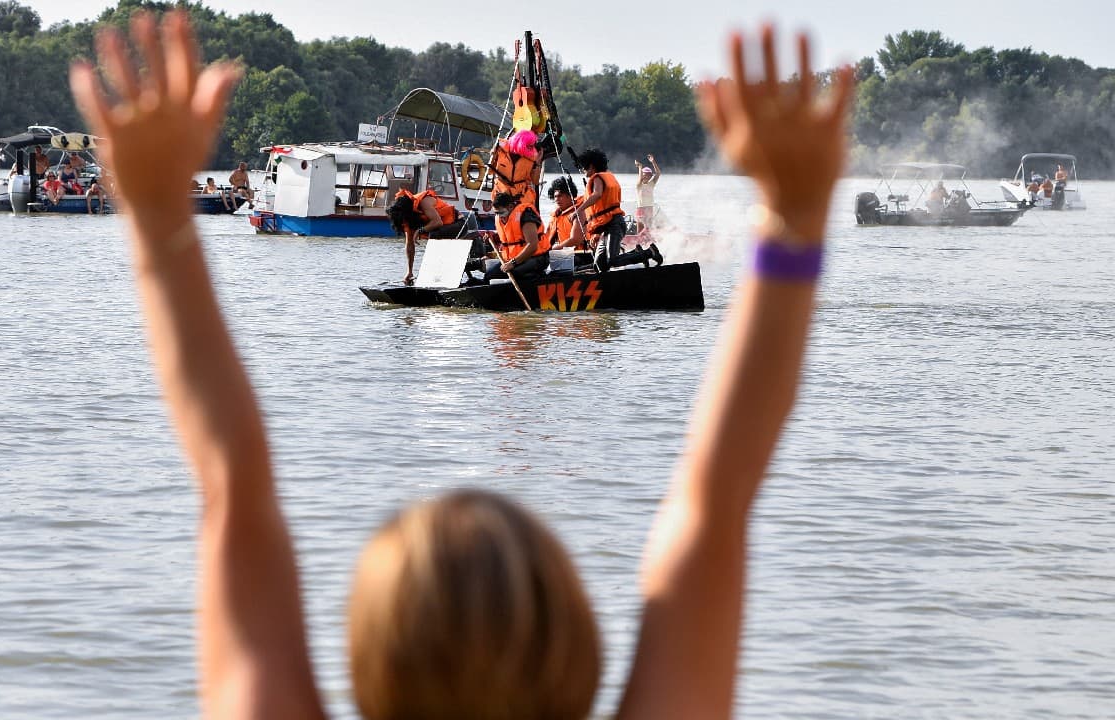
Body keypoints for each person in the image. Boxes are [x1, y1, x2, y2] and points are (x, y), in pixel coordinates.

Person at [69, 12, 851, 719]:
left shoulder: (532, 209)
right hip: (531, 278)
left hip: (539, 278)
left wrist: (158, 219)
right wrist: (795, 216)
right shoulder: (519, 208)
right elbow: (714, 500)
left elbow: (233, 480)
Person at [574, 148, 660, 270]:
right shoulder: (607, 176)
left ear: (592, 166)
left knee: (612, 260)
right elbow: (600, 210)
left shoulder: (598, 178)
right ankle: (636, 252)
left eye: (584, 167)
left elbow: (597, 194)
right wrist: (597, 234)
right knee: (599, 264)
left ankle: (649, 253)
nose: (582, 170)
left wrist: (578, 210)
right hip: (606, 227)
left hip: (615, 224)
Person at [388, 188, 467, 286]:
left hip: (459, 224)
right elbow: (409, 245)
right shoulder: (407, 218)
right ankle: (435, 273)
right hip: (441, 230)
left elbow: (438, 222)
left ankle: (440, 272)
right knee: (433, 234)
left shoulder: (424, 202)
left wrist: (420, 230)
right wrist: (409, 271)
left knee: (433, 234)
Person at [487, 191, 550, 282]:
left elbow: (532, 245)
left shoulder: (526, 215)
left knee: (513, 273)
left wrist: (513, 263)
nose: (500, 217)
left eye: (501, 213)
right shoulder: (502, 218)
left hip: (537, 257)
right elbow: (509, 239)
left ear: (510, 207)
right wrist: (491, 237)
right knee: (489, 275)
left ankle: (536, 279)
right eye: (496, 213)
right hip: (515, 259)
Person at [545, 176, 588, 251]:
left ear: (570, 196)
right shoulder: (556, 215)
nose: (557, 199)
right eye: (555, 196)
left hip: (580, 255)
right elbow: (546, 239)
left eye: (560, 196)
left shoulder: (578, 212)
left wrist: (553, 249)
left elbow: (575, 240)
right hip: (562, 254)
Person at [634, 152, 661, 231]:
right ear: (642, 175)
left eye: (649, 175)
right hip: (641, 208)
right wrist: (640, 167)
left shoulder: (651, 183)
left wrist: (653, 162)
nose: (647, 176)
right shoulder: (638, 185)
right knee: (640, 231)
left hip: (649, 208)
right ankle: (638, 242)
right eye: (645, 174)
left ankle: (649, 241)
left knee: (649, 230)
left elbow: (658, 173)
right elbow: (640, 179)